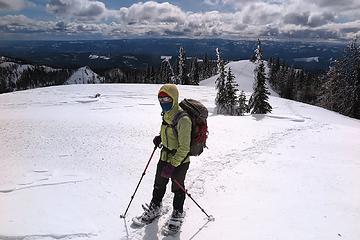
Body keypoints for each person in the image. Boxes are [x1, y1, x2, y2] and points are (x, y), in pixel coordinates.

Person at [140, 83, 192, 224]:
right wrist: (160, 138)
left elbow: (184, 148)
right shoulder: (167, 115)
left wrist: (173, 165)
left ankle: (177, 212)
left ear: (174, 98)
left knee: (177, 187)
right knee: (159, 183)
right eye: (160, 99)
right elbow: (169, 132)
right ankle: (156, 207)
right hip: (165, 156)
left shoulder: (184, 120)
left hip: (180, 160)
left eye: (167, 99)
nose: (163, 102)